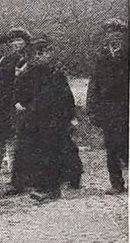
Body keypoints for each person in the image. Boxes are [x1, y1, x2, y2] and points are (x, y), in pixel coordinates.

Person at [12, 36, 82, 203]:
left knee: (52, 153)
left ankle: (52, 188)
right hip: (36, 119)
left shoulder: (56, 73)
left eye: (43, 53)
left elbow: (67, 97)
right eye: (37, 53)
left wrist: (71, 117)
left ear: (49, 54)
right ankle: (44, 186)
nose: (40, 56)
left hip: (55, 120)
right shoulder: (29, 74)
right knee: (38, 153)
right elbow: (21, 94)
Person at [87, 19, 130, 194]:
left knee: (127, 147)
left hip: (126, 108)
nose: (114, 36)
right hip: (108, 110)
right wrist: (92, 109)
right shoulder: (101, 58)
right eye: (110, 32)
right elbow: (93, 85)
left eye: (118, 32)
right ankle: (116, 183)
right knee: (111, 148)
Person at [0, 28, 31, 188]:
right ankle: (12, 174)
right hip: (7, 105)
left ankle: (27, 176)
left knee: (25, 139)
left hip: (26, 104)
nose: (16, 44)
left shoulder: (30, 58)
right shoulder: (7, 60)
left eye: (20, 40)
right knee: (8, 138)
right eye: (13, 41)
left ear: (26, 42)